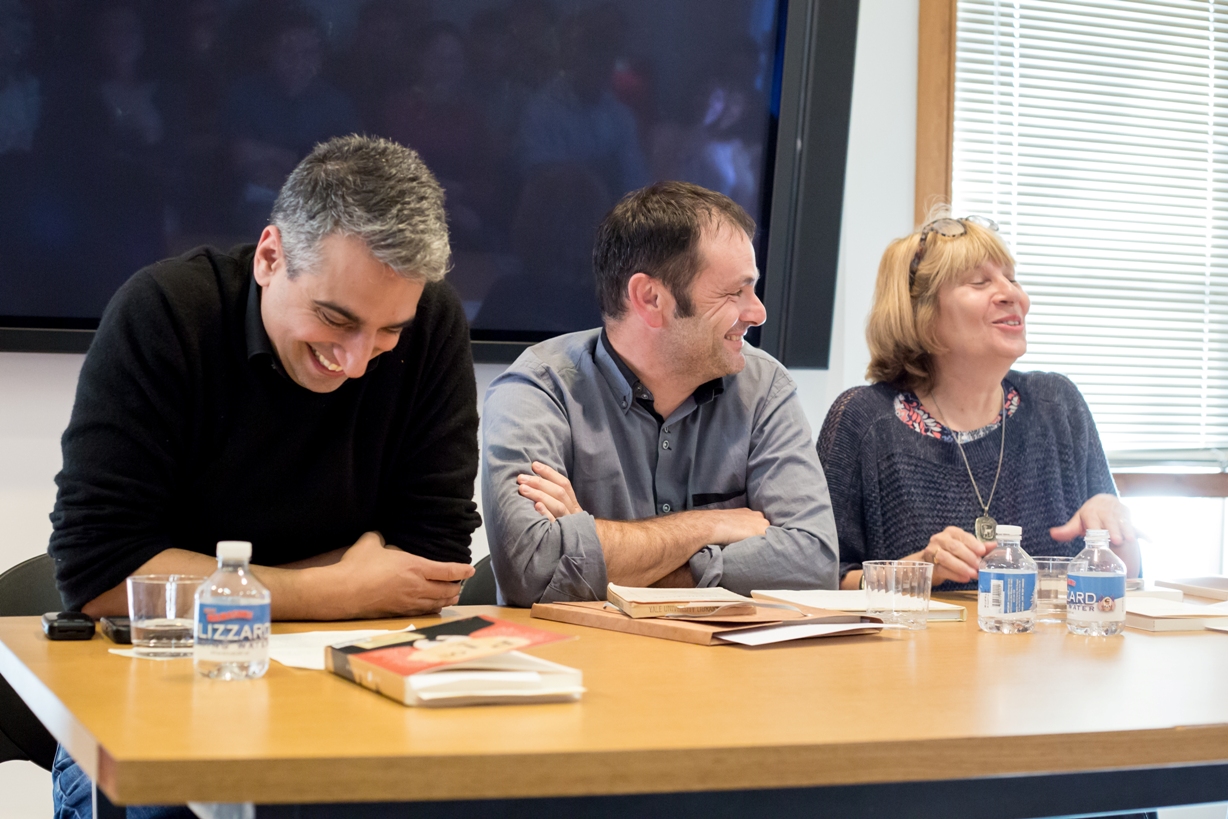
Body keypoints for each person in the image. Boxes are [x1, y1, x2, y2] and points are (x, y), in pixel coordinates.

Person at [48, 135, 479, 816]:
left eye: (388, 331)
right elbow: (100, 572)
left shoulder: (434, 325)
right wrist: (338, 589)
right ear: (270, 256)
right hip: (150, 715)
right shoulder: (165, 314)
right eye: (335, 319)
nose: (357, 361)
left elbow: (433, 559)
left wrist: (210, 584)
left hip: (348, 709)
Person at [482, 181, 838, 606]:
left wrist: (594, 545)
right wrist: (709, 527)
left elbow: (813, 565)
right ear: (650, 298)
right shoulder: (539, 390)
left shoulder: (764, 388)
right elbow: (533, 570)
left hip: (726, 669)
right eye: (734, 292)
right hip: (579, 666)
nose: (757, 311)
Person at [817, 215, 1140, 591]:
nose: (1013, 295)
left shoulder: (1058, 405)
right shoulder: (863, 420)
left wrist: (1118, 533)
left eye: (1012, 278)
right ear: (922, 313)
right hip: (918, 651)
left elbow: (1128, 580)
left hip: (1050, 651)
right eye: (979, 282)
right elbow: (822, 581)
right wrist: (918, 569)